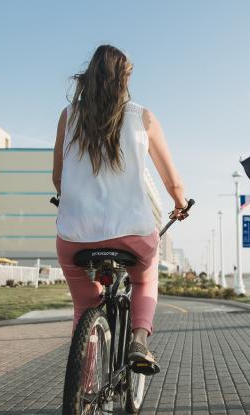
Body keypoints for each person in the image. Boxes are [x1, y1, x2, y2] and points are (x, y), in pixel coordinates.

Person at [52, 45, 189, 376]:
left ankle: (83, 393)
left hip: (74, 237)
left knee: (84, 306)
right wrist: (179, 203)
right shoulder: (142, 116)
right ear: (124, 78)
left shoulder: (69, 115)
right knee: (144, 280)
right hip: (133, 234)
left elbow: (58, 178)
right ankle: (139, 339)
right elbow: (172, 181)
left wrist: (69, 198)